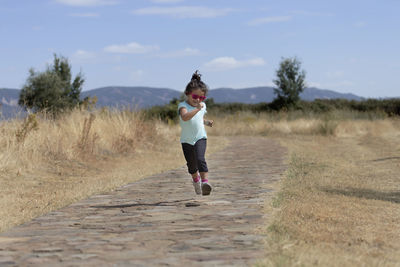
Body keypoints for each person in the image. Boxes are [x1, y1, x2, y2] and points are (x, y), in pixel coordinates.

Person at [178, 70, 214, 196]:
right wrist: (197, 109)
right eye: (195, 97)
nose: (198, 100)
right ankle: (196, 180)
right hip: (186, 140)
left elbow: (198, 119)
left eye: (201, 97)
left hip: (200, 137)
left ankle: (205, 182)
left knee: (200, 159)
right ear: (187, 94)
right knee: (192, 166)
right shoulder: (183, 106)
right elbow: (185, 117)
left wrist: (207, 122)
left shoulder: (202, 106)